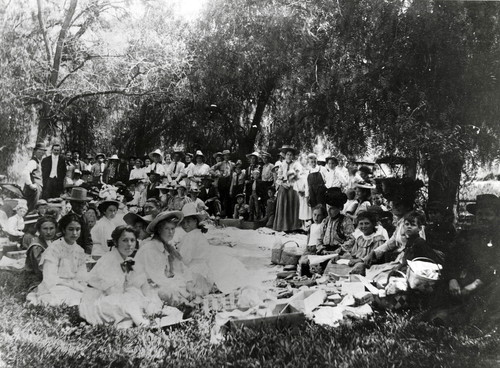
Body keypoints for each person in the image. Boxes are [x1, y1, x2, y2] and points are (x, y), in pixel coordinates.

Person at [427, 194, 500, 328]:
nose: (483, 218)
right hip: (466, 278)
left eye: (488, 214)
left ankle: (455, 319)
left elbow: (496, 265)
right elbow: (452, 258)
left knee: (492, 292)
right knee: (444, 288)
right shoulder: (467, 234)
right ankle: (440, 315)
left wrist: (475, 284)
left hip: (488, 280)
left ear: (497, 217)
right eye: (480, 214)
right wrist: (452, 279)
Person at [79, 225, 162, 328]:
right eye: (125, 240)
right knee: (127, 300)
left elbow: (137, 285)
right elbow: (113, 293)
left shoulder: (127, 260)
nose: (129, 244)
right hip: (95, 302)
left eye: (132, 240)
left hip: (113, 298)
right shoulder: (109, 260)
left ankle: (134, 318)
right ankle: (142, 322)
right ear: (116, 242)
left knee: (137, 293)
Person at [27, 214, 89, 306]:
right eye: (71, 229)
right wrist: (72, 284)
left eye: (78, 229)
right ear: (64, 230)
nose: (75, 233)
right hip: (55, 287)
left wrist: (79, 285)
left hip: (74, 286)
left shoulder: (79, 250)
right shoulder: (54, 248)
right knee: (64, 299)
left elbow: (82, 277)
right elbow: (50, 279)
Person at [134, 210, 191, 306]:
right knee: (170, 291)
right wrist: (180, 289)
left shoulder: (167, 247)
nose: (171, 232)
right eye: (167, 229)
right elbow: (156, 278)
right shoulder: (150, 248)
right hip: (146, 287)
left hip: (162, 284)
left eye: (173, 229)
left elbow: (180, 268)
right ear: (159, 230)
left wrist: (188, 282)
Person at [273, 146, 302, 232]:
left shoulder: (296, 164)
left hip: (293, 185)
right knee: (283, 201)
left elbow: (298, 176)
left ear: (293, 156)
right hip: (284, 184)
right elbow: (279, 177)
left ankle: (293, 226)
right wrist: (282, 183)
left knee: (293, 202)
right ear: (285, 156)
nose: (289, 156)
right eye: (287, 154)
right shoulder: (282, 164)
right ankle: (283, 226)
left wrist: (291, 183)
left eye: (291, 155)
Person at [25, 216, 58, 282]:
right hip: (37, 281)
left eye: (51, 228)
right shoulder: (36, 247)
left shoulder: (51, 241)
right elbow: (41, 270)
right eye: (45, 229)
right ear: (39, 230)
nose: (48, 232)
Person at [298, 204, 328, 276]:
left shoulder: (323, 225)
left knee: (314, 264)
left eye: (319, 215)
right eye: (314, 215)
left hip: (316, 248)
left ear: (323, 216)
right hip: (309, 248)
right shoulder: (312, 226)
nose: (316, 217)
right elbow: (309, 237)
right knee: (302, 262)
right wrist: (307, 246)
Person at [66, 187, 93, 254]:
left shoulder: (85, 218)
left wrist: (87, 253)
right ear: (71, 203)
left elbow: (88, 239)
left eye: (83, 203)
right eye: (78, 203)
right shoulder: (66, 220)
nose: (81, 206)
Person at [22, 142, 47, 212]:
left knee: (34, 209)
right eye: (39, 152)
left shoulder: (39, 162)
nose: (41, 154)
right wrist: (30, 184)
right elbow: (25, 172)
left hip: (37, 190)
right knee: (29, 209)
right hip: (33, 191)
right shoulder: (33, 162)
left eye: (43, 152)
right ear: (35, 152)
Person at [213, 150, 234, 218]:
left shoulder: (232, 164)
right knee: (222, 197)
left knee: (229, 198)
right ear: (223, 156)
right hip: (222, 181)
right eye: (225, 155)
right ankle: (222, 213)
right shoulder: (220, 164)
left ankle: (229, 214)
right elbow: (211, 170)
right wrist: (217, 174)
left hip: (229, 181)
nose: (226, 157)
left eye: (228, 155)